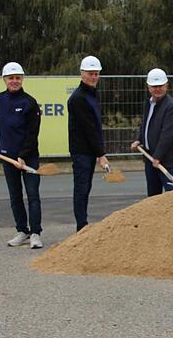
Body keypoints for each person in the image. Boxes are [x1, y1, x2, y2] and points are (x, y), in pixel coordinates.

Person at [0, 62, 43, 249]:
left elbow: (33, 134)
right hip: (6, 156)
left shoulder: (29, 103)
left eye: (17, 78)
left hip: (28, 157)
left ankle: (36, 233)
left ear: (22, 79)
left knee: (33, 195)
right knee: (15, 196)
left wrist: (23, 155)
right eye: (11, 78)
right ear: (4, 80)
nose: (14, 81)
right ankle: (22, 231)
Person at [67, 56, 109, 232]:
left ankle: (82, 223)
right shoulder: (79, 98)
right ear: (82, 74)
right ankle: (81, 225)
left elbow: (95, 126)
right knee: (82, 187)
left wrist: (98, 152)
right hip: (82, 151)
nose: (94, 77)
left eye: (96, 74)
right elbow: (89, 128)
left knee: (86, 186)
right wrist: (101, 154)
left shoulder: (91, 93)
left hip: (89, 150)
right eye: (90, 74)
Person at [130, 68, 173, 196]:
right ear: (148, 87)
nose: (157, 89)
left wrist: (158, 156)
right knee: (153, 198)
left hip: (167, 160)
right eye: (154, 86)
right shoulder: (149, 103)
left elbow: (168, 134)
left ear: (166, 85)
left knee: (171, 197)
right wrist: (139, 139)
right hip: (150, 158)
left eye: (160, 86)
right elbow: (146, 124)